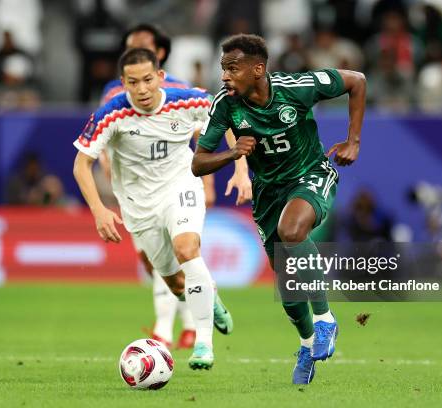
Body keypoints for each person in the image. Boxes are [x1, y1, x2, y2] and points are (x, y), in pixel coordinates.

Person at [192, 34, 366, 384]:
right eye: (223, 69)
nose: (225, 76)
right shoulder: (224, 105)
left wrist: (353, 140)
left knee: (292, 232)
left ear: (258, 69)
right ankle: (306, 345)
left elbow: (357, 81)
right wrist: (232, 153)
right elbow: (198, 163)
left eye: (233, 69)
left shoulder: (296, 88)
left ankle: (325, 319)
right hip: (268, 191)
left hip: (310, 173)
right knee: (286, 280)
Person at [73, 48, 238, 370]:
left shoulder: (188, 100)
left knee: (187, 248)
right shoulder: (111, 113)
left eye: (148, 80)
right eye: (133, 82)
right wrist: (99, 211)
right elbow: (82, 164)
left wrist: (241, 169)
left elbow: (226, 116)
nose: (142, 89)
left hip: (180, 186)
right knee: (176, 284)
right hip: (138, 205)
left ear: (160, 77)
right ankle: (210, 298)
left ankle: (204, 342)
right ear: (124, 83)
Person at [98, 23, 252, 350]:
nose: (134, 51)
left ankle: (173, 330)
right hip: (135, 196)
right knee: (157, 265)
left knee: (185, 251)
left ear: (161, 57)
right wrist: (108, 175)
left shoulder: (180, 91)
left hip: (174, 186)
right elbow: (101, 141)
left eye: (142, 45)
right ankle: (192, 313)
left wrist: (208, 183)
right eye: (129, 45)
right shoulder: (113, 93)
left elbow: (203, 138)